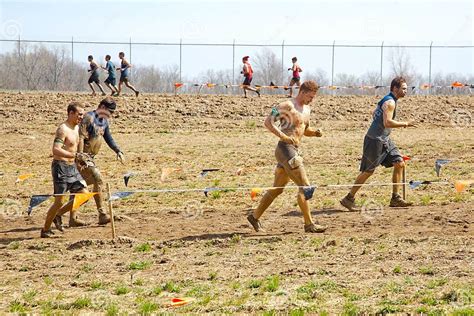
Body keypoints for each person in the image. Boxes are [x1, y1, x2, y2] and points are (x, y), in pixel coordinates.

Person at [247, 80, 327, 233]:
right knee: (305, 186)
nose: (312, 100)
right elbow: (268, 122)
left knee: (277, 189)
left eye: (313, 97)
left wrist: (316, 133)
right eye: (310, 96)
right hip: (285, 149)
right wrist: (283, 136)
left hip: (294, 149)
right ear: (302, 92)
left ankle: (254, 216)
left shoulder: (307, 109)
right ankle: (309, 224)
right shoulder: (286, 106)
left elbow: (305, 130)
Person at [340, 76, 417, 211]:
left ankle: (395, 198)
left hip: (385, 139)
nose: (406, 91)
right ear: (395, 88)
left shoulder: (388, 99)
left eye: (406, 89)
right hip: (374, 140)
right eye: (403, 89)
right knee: (368, 171)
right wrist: (406, 124)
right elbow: (387, 122)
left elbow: (374, 113)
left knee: (399, 163)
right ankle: (349, 198)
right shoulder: (390, 102)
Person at [71, 97, 125, 226]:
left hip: (90, 158)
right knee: (98, 179)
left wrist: (118, 150)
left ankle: (71, 218)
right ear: (101, 106)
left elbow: (108, 137)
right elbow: (81, 138)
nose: (109, 115)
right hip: (83, 158)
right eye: (108, 111)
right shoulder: (88, 118)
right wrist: (80, 157)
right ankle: (102, 214)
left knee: (80, 188)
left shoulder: (104, 122)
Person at [41, 102, 89, 238]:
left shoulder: (76, 128)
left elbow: (74, 148)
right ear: (71, 113)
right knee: (59, 201)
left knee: (84, 194)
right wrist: (74, 155)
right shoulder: (63, 129)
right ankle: (45, 230)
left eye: (82, 114)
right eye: (79, 114)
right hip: (60, 168)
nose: (81, 117)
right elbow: (56, 149)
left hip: (72, 168)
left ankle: (58, 214)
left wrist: (80, 160)